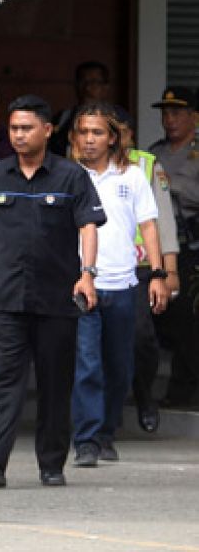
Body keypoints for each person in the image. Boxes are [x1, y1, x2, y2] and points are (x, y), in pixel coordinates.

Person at [0, 95, 104, 489]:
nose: (19, 135)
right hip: (5, 299)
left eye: (26, 128)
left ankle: (52, 464)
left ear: (46, 130)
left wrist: (87, 274)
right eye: (14, 128)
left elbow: (88, 227)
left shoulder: (71, 176)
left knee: (55, 383)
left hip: (56, 298)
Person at [68, 102, 168, 468]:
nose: (90, 140)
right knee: (87, 364)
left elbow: (150, 225)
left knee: (119, 365)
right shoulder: (69, 175)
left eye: (97, 133)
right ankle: (88, 439)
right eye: (84, 132)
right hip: (82, 285)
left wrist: (157, 274)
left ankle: (107, 431)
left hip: (124, 282)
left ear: (112, 137)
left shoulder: (131, 176)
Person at [115, 110, 180, 432]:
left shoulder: (147, 164)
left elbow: (163, 222)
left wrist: (169, 270)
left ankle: (143, 394)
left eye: (125, 132)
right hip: (99, 267)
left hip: (141, 268)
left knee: (142, 337)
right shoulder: (82, 164)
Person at [148, 86, 199, 409]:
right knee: (167, 319)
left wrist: (174, 190)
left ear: (195, 117)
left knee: (190, 320)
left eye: (177, 112)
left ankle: (183, 390)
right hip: (165, 247)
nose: (169, 119)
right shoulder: (154, 152)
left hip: (194, 247)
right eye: (165, 113)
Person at [50, 61, 112, 157]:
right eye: (83, 82)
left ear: (105, 87)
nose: (87, 88)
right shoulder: (63, 118)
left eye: (94, 82)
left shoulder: (118, 118)